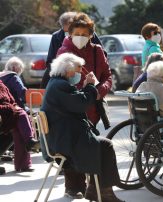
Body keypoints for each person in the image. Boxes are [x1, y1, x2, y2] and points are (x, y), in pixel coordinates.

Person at [41, 53, 123, 201]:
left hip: (62, 136)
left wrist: (86, 88)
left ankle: (95, 189)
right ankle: (103, 192)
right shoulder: (60, 85)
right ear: (68, 69)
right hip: (64, 140)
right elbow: (81, 104)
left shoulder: (56, 83)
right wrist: (90, 86)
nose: (80, 73)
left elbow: (75, 101)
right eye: (78, 69)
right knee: (106, 145)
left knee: (100, 144)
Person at [56, 12, 112, 199]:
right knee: (75, 148)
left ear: (90, 35)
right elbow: (62, 82)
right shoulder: (64, 52)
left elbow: (107, 76)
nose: (80, 37)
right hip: (72, 110)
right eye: (76, 33)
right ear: (70, 34)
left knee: (86, 147)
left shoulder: (97, 51)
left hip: (92, 107)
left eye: (84, 33)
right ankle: (75, 187)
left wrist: (98, 90)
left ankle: (90, 188)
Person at [40, 11, 102, 88]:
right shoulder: (56, 37)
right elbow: (51, 60)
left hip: (89, 76)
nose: (69, 35)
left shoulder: (89, 34)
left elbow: (102, 57)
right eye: (66, 32)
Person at [0, 80, 39, 172]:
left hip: (5, 113)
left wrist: (13, 106)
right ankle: (29, 142)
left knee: (20, 127)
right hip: (3, 113)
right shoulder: (12, 77)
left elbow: (11, 100)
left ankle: (23, 164)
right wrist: (11, 107)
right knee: (21, 115)